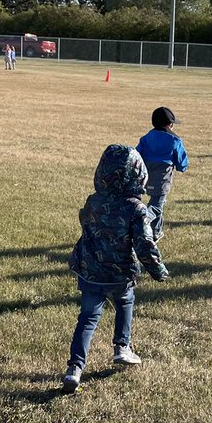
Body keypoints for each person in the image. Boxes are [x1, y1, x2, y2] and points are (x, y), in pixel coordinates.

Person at [62, 145, 168, 393]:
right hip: (120, 273)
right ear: (138, 174)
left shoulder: (93, 201)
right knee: (125, 301)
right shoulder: (136, 208)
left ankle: (74, 369)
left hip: (90, 271)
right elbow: (145, 244)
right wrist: (158, 269)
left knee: (87, 318)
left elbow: (86, 227)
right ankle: (122, 347)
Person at [135, 106, 188, 242]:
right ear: (170, 125)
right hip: (163, 178)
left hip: (146, 177)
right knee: (157, 205)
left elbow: (136, 155)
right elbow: (181, 160)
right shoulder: (175, 140)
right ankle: (144, 220)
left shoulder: (146, 138)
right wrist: (182, 167)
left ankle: (156, 231)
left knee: (157, 202)